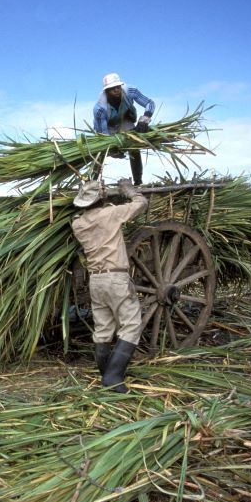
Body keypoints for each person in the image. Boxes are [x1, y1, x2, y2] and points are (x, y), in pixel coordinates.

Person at [70, 177, 148, 392]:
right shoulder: (110, 214)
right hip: (116, 278)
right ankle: (113, 376)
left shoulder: (77, 223)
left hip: (96, 280)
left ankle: (106, 373)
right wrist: (129, 190)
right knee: (131, 326)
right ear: (101, 198)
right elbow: (141, 204)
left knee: (103, 328)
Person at [93, 72, 156, 186]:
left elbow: (150, 103)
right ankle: (92, 181)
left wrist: (145, 119)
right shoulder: (100, 108)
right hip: (108, 126)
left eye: (118, 86)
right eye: (112, 88)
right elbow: (103, 135)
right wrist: (112, 149)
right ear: (107, 91)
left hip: (125, 120)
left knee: (133, 145)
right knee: (101, 151)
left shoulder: (130, 91)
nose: (117, 90)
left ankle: (138, 181)